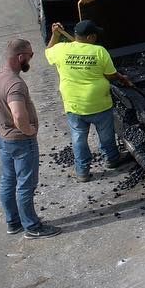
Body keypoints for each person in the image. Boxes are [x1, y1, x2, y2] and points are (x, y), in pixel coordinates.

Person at [0, 39, 60, 239]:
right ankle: (32, 226)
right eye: (30, 55)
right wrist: (28, 130)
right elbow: (18, 115)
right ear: (20, 57)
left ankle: (13, 223)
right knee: (26, 184)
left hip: (2, 137)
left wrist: (0, 114)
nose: (31, 58)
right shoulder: (15, 84)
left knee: (8, 180)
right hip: (20, 141)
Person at [45, 20, 133, 182]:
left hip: (74, 104)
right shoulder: (99, 51)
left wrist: (55, 35)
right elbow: (111, 75)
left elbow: (48, 51)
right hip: (99, 103)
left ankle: (82, 171)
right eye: (95, 35)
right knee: (106, 135)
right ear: (91, 37)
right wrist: (123, 79)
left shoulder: (61, 49)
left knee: (78, 138)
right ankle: (112, 159)